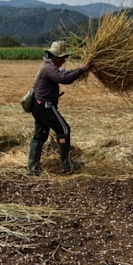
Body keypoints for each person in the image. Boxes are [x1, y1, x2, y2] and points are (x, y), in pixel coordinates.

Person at [28, 40, 90, 175]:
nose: (64, 60)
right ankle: (66, 164)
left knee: (40, 135)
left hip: (38, 106)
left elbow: (64, 75)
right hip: (45, 107)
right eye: (62, 58)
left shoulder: (47, 66)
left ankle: (33, 168)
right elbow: (64, 78)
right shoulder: (49, 68)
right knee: (64, 130)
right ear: (55, 57)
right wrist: (82, 69)